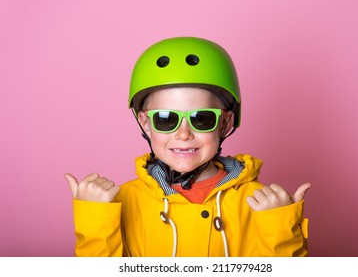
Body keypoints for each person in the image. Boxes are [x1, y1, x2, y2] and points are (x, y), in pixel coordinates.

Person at [65, 37, 311, 257]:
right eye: (165, 118)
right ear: (145, 123)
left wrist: (279, 228)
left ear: (224, 122)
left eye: (201, 118)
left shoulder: (258, 204)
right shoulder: (121, 201)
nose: (183, 134)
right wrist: (95, 221)